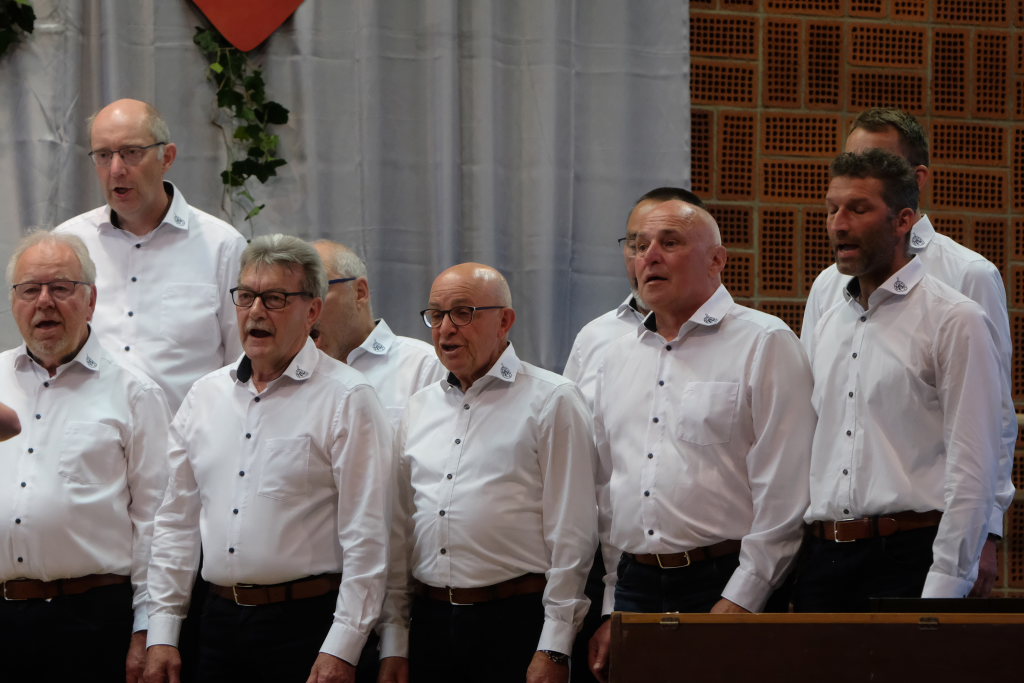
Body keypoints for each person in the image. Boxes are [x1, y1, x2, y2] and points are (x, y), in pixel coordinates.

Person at [143, 235, 393, 683]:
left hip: (307, 626)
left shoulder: (347, 397)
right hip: (216, 623)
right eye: (246, 296)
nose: (256, 311)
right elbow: (175, 522)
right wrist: (162, 632)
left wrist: (343, 647)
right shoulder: (204, 396)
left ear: (312, 311)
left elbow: (368, 538)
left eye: (275, 298)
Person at [587, 192, 815, 682]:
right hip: (635, 586)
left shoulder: (764, 342)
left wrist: (744, 596)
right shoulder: (613, 357)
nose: (649, 256)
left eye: (669, 242)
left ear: (717, 260)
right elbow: (608, 490)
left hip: (724, 579)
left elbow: (787, 489)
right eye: (639, 244)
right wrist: (612, 604)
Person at [801, 108, 1014, 596]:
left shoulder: (963, 287)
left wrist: (982, 538)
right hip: (827, 549)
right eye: (833, 207)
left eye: (858, 207)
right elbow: (817, 419)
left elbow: (987, 429)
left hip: (913, 541)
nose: (839, 223)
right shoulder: (828, 294)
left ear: (907, 202)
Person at [377, 263, 598, 683]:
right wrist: (395, 640)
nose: (446, 328)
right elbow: (400, 531)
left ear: (505, 321)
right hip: (430, 623)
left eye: (463, 313)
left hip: (515, 623)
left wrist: (555, 644)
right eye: (436, 315)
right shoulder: (418, 407)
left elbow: (574, 533)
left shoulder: (552, 400)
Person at [0, 231, 170, 683]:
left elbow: (157, 525)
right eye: (29, 289)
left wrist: (149, 629)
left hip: (92, 622)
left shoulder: (135, 393)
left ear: (91, 300)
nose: (44, 302)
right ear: (13, 301)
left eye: (60, 287)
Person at [55, 98, 247, 411]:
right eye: (103, 155)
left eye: (131, 152)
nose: (116, 169)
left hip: (184, 435)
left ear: (166, 157)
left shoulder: (222, 247)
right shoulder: (68, 245)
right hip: (88, 433)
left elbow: (242, 362)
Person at [311, 240, 444, 428]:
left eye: (317, 291)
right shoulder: (290, 375)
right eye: (297, 296)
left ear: (359, 292)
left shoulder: (424, 366)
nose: (307, 308)